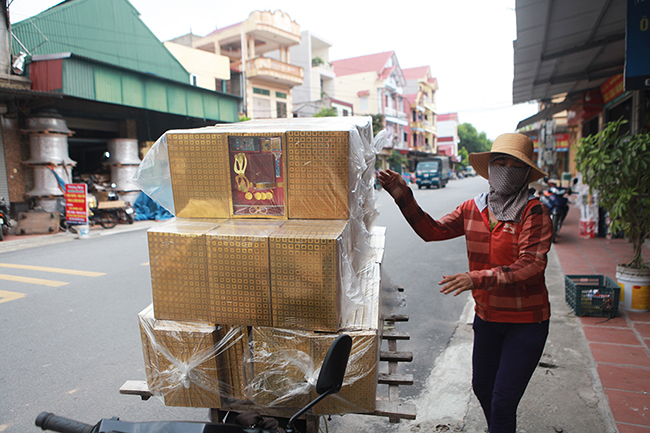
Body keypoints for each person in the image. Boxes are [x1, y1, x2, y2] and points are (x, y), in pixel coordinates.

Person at [378, 133, 552, 433]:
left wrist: (476, 278)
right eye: (500, 162)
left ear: (525, 173)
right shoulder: (474, 207)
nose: (506, 169)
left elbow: (532, 265)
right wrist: (402, 195)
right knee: (483, 387)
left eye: (514, 165)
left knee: (502, 402)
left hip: (526, 322)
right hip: (487, 318)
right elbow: (432, 230)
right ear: (490, 168)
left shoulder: (533, 211)